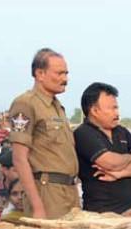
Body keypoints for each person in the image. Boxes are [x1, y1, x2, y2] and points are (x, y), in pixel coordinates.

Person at [7, 48, 79, 219]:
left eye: (66, 73)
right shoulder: (26, 104)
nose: (65, 79)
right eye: (60, 73)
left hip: (68, 191)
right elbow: (19, 158)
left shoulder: (57, 107)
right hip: (46, 192)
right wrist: (37, 206)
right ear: (40, 74)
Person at [73, 83, 131, 213]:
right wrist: (130, 157)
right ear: (94, 111)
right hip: (102, 213)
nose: (117, 113)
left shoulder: (121, 131)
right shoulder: (83, 133)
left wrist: (120, 174)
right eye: (112, 108)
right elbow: (109, 163)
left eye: (117, 108)